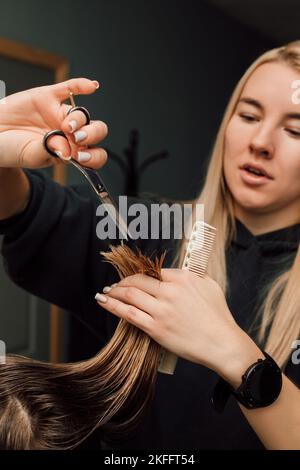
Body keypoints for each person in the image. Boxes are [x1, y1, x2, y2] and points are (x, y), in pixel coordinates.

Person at [0, 41, 300, 450]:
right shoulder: (153, 230)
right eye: (248, 115)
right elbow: (26, 210)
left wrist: (237, 357)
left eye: (295, 129)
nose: (261, 141)